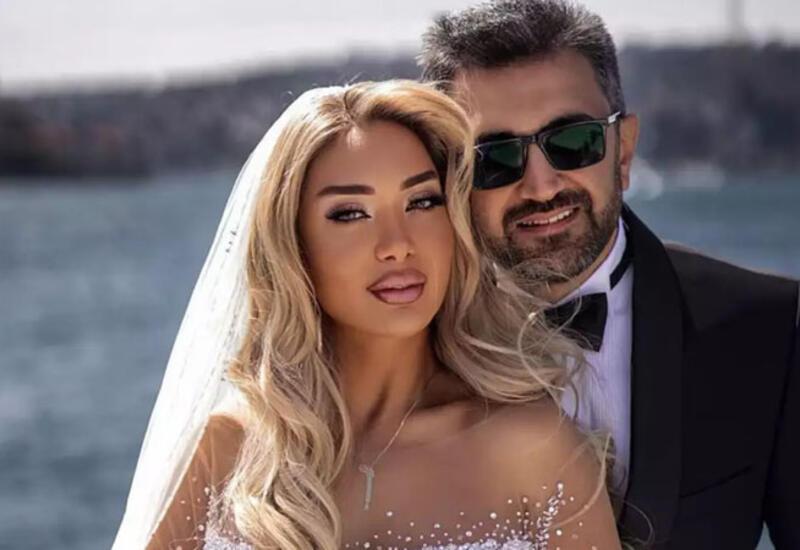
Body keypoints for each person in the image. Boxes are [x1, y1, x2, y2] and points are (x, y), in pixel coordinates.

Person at [112, 80, 623, 550]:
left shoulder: (533, 449)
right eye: (350, 213)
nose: (397, 244)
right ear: (293, 244)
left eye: (422, 202)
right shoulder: (231, 449)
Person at [418, 1, 800, 549]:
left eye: (574, 142)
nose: (541, 187)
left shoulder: (769, 328)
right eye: (494, 157)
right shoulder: (408, 348)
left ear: (623, 150)